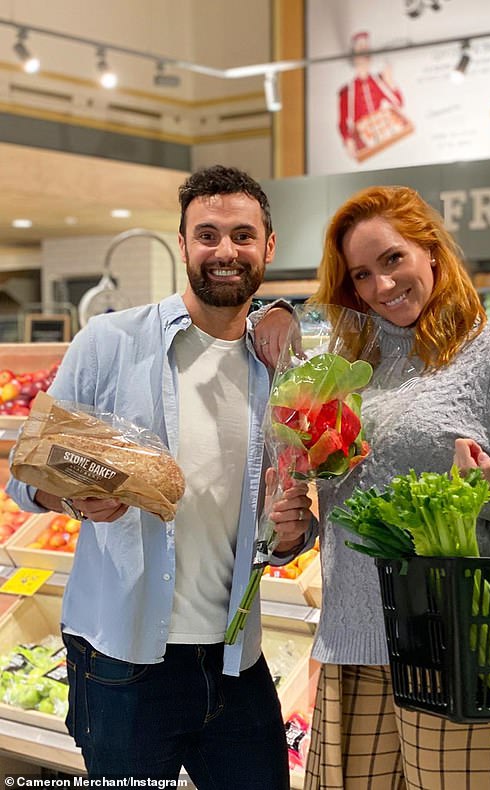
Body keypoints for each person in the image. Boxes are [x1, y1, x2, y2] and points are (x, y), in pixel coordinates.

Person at [253, 185, 490, 790]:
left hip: (460, 642)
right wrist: (298, 524)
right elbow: (354, 503)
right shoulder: (353, 367)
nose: (382, 286)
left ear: (430, 252)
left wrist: (488, 492)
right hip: (354, 635)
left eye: (392, 260)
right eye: (361, 274)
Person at [6, 165, 314, 789]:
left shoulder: (285, 366)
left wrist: (293, 536)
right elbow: (26, 474)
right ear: (183, 244)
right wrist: (75, 499)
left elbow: (292, 517)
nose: (225, 251)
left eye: (242, 235)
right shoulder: (110, 341)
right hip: (122, 660)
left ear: (268, 247)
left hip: (237, 659)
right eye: (207, 234)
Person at [338, 31, 413, 162]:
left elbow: (398, 103)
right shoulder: (346, 92)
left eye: (367, 52)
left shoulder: (379, 80)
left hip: (383, 132)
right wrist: (348, 140)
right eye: (360, 52)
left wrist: (390, 82)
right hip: (364, 137)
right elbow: (343, 122)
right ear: (353, 57)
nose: (364, 56)